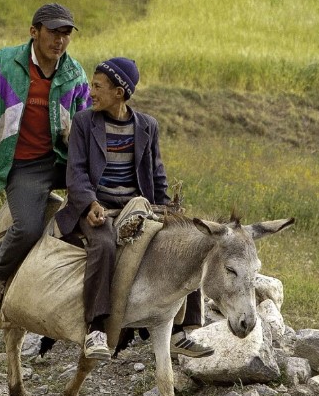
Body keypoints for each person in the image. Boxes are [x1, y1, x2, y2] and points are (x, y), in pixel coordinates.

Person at [54, 57, 214, 361]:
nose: (90, 92)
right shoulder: (84, 123)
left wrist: (167, 210)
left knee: (190, 238)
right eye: (92, 85)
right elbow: (74, 173)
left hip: (137, 206)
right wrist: (89, 204)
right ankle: (97, 328)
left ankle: (181, 331)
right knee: (102, 244)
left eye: (97, 86)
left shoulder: (147, 126)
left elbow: (156, 173)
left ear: (119, 92)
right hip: (96, 206)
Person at [0, 3, 90, 320]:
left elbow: (89, 119)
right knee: (27, 228)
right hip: (25, 164)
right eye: (53, 32)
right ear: (34, 32)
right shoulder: (4, 63)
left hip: (66, 160)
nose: (60, 40)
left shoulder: (74, 74)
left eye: (66, 33)